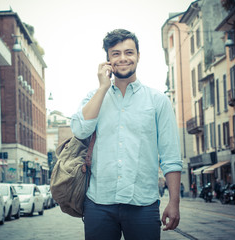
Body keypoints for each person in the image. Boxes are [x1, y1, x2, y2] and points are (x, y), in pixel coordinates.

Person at [71, 29, 182, 240]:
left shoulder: (158, 101)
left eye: (129, 52)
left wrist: (174, 202)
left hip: (143, 204)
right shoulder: (93, 98)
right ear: (108, 61)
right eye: (115, 53)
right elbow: (80, 130)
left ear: (138, 56)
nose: (123, 58)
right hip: (98, 203)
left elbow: (170, 157)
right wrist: (103, 87)